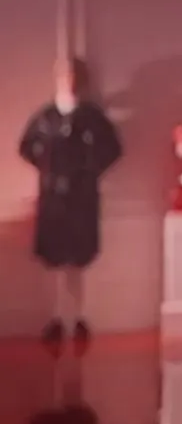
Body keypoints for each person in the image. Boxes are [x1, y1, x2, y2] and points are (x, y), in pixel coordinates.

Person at [18, 57, 123, 346]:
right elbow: (26, 147)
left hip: (81, 197)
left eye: (73, 75)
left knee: (78, 259)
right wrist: (47, 169)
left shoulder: (92, 117)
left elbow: (113, 149)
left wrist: (90, 172)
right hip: (53, 197)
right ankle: (56, 318)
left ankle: (77, 318)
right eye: (64, 75)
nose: (69, 81)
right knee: (53, 259)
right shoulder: (45, 117)